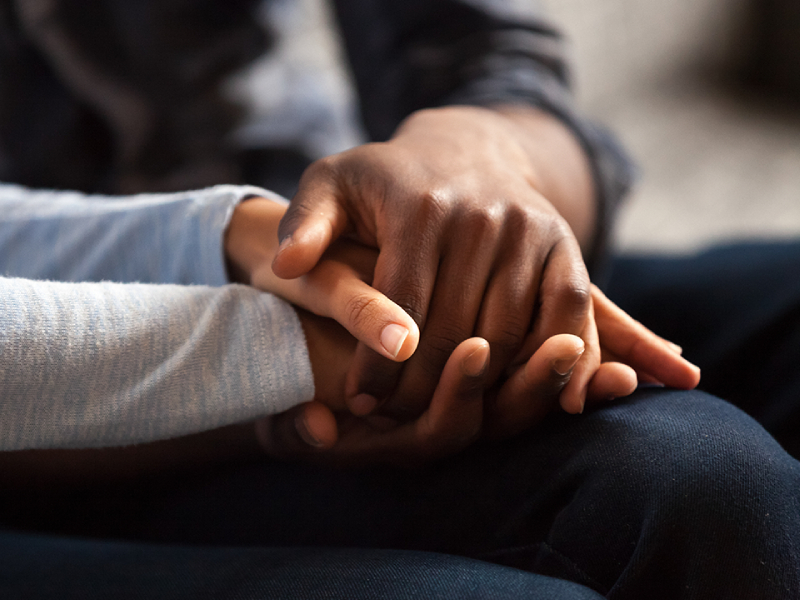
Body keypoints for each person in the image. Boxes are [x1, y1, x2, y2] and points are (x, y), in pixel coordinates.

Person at [0, 1, 798, 599]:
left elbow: (493, 63)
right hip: (66, 407)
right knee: (692, 482)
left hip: (313, 274)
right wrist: (288, 362)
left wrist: (481, 164)